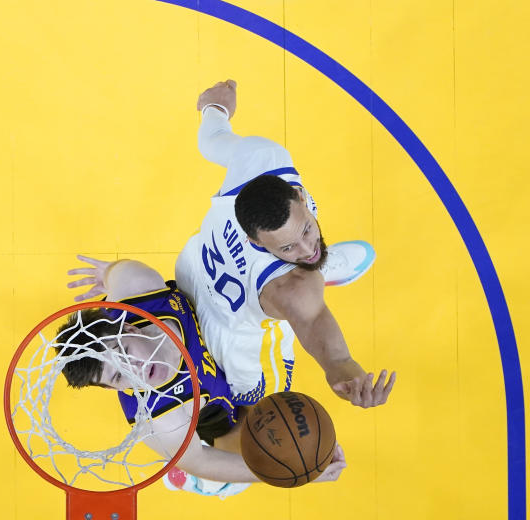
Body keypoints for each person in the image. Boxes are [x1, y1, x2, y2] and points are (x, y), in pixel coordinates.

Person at [169, 80, 396, 408]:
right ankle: (320, 273)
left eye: (305, 231)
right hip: (231, 334)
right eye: (287, 249)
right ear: (254, 240)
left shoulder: (263, 158)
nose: (306, 250)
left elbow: (213, 140)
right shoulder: (290, 289)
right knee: (260, 409)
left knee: (306, 274)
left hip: (191, 266)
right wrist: (345, 371)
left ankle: (320, 271)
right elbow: (320, 334)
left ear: (299, 197)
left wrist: (214, 109)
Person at [57, 256, 347, 498]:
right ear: (112, 388)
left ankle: (307, 273)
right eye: (119, 376)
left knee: (258, 307)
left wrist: (107, 272)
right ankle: (202, 486)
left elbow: (116, 273)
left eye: (127, 352)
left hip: (220, 346)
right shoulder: (163, 416)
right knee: (250, 445)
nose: (136, 370)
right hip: (211, 414)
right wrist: (290, 472)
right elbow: (198, 460)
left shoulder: (138, 287)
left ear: (131, 330)